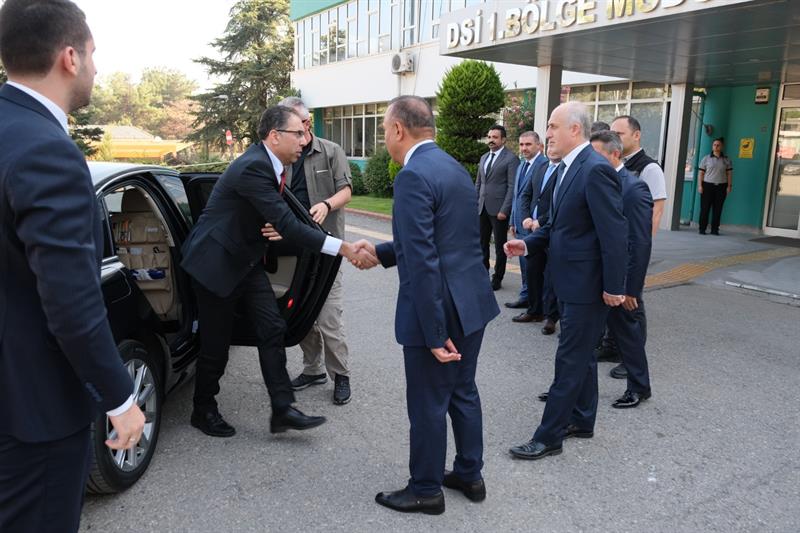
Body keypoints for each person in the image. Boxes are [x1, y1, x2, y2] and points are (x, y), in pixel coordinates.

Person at [0, 1, 145, 530]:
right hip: (33, 411)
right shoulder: (48, 150)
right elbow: (70, 304)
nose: (96, 68)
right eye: (93, 54)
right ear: (69, 57)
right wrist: (120, 397)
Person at [181, 105, 369, 438]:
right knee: (216, 345)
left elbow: (280, 220)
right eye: (298, 133)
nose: (304, 140)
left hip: (246, 261)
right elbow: (287, 223)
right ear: (274, 136)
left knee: (272, 328)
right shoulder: (254, 167)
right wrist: (343, 247)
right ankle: (203, 408)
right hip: (215, 265)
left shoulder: (275, 166)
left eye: (305, 133)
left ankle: (282, 409)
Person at [352, 96, 499, 515]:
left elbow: (423, 261)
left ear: (399, 129)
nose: (385, 138)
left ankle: (426, 489)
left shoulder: (412, 175)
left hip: (441, 308)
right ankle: (470, 473)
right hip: (471, 301)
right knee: (462, 391)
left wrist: (435, 334)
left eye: (384, 130)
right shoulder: (453, 167)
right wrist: (381, 252)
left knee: (428, 402)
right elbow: (442, 239)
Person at [504, 102, 627, 461]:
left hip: (587, 287)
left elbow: (615, 234)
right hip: (569, 282)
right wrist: (528, 243)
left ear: (575, 129)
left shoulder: (595, 169)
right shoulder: (564, 170)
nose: (547, 134)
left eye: (553, 126)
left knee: (569, 359)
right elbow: (559, 227)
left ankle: (549, 436)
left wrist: (615, 287)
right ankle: (583, 420)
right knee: (582, 356)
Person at [277, 97, 354, 405]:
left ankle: (341, 375)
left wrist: (326, 205)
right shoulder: (283, 156)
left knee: (329, 316)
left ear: (308, 123)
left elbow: (346, 190)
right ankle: (313, 369)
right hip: (294, 249)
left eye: (299, 125)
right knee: (298, 312)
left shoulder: (331, 151)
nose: (297, 132)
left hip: (327, 250)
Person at [590, 130, 654, 408]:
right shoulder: (596, 182)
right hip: (596, 275)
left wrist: (631, 289)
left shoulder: (633, 188)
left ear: (615, 154)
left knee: (628, 335)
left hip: (622, 281)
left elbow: (640, 243)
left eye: (596, 155)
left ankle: (639, 387)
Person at [515, 145, 558, 324]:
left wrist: (540, 221)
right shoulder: (540, 167)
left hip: (550, 229)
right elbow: (525, 195)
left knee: (551, 276)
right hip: (532, 231)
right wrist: (525, 217)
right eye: (550, 145)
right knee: (532, 271)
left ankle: (551, 317)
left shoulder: (565, 170)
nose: (551, 149)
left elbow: (560, 202)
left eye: (555, 145)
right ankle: (534, 311)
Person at [506, 131, 547, 315]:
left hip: (534, 225)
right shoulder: (522, 165)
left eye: (528, 144)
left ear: (539, 146)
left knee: (533, 266)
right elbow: (517, 197)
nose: (524, 148)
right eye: (521, 144)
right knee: (524, 263)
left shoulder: (543, 165)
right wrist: (513, 221)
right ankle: (526, 295)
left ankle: (535, 301)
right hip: (520, 223)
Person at [476, 124, 519, 290]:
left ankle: (497, 277)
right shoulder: (484, 157)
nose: (491, 140)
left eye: (495, 137)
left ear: (503, 140)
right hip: (482, 207)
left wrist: (505, 210)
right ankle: (482, 274)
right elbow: (479, 183)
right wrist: (475, 203)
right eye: (489, 137)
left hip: (499, 209)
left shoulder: (511, 159)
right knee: (482, 243)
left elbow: (512, 186)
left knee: (500, 246)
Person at [611, 115, 667, 236]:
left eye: (619, 134)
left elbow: (656, 212)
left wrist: (643, 243)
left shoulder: (650, 168)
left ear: (636, 135)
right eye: (612, 135)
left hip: (631, 240)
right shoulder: (611, 163)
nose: (613, 139)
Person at [698, 138, 733, 235]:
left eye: (718, 145)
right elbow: (701, 173)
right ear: (712, 146)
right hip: (707, 186)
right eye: (714, 145)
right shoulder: (706, 159)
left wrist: (729, 186)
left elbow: (729, 174)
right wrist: (700, 186)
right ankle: (702, 228)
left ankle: (715, 229)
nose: (716, 147)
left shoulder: (726, 160)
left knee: (718, 209)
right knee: (705, 208)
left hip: (721, 187)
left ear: (722, 147)